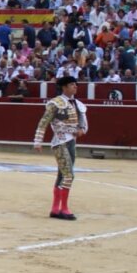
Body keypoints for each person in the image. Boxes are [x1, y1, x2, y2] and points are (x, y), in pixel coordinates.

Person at [33, 75, 88, 220]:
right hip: (60, 142)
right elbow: (44, 122)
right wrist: (38, 141)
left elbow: (83, 124)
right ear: (64, 87)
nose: (75, 86)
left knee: (62, 175)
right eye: (72, 85)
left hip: (71, 142)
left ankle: (55, 209)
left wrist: (81, 130)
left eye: (76, 84)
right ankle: (64, 208)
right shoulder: (55, 103)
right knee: (69, 175)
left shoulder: (78, 104)